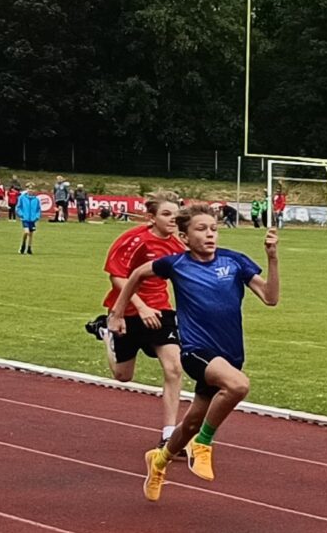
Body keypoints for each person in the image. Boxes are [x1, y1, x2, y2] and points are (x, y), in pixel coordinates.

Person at [110, 204, 280, 501]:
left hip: (229, 353)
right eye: (201, 230)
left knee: (189, 422)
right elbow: (136, 273)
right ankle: (203, 444)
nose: (210, 235)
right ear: (185, 236)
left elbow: (270, 298)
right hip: (195, 351)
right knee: (238, 384)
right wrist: (118, 312)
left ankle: (159, 461)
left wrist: (272, 258)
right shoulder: (176, 264)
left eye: (213, 229)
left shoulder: (235, 261)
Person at [86, 191, 188, 451]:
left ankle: (168, 434)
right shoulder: (134, 240)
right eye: (166, 214)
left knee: (174, 367)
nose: (172, 220)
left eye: (176, 215)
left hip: (161, 311)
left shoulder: (177, 247)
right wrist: (140, 308)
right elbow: (117, 277)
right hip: (129, 311)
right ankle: (106, 332)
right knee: (123, 376)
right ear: (151, 217)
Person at [16, 183, 41, 254]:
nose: (30, 190)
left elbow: (38, 209)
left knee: (31, 234)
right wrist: (21, 214)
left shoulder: (36, 199)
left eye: (32, 189)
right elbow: (18, 207)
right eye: (29, 189)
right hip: (25, 219)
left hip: (32, 219)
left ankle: (29, 248)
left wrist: (37, 216)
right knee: (26, 232)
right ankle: (23, 245)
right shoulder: (22, 198)